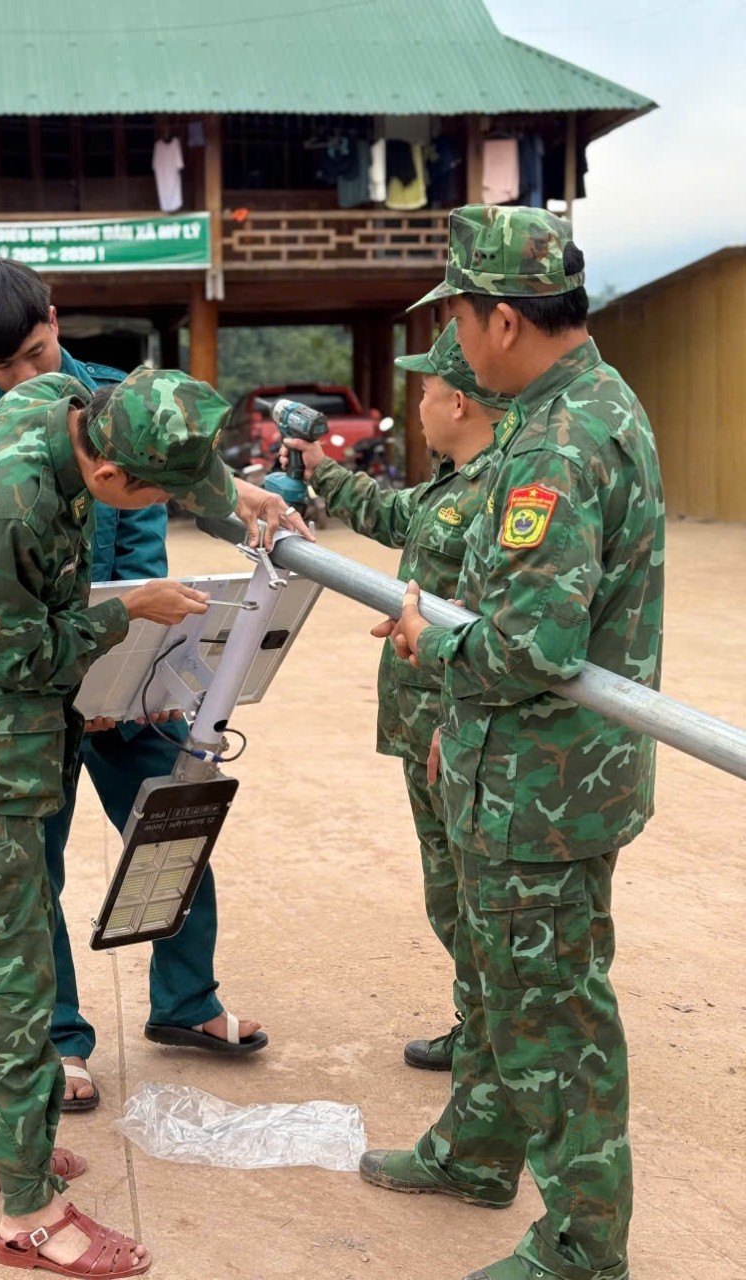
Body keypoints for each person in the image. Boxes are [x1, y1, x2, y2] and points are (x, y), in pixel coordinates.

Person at [0, 367, 301, 1276]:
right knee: (7, 984)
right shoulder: (7, 507)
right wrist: (124, 617)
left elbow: (174, 454)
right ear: (108, 475)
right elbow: (18, 657)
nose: (160, 507)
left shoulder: (56, 399)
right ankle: (30, 1214)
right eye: (154, 493)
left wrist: (239, 495)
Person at [359, 206, 664, 1280]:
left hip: (544, 791)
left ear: (498, 319)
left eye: (457, 313)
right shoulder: (587, 404)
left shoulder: (560, 439)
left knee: (553, 1019)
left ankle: (584, 1244)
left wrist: (432, 649)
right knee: (503, 986)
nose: (456, 337)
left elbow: (531, 642)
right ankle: (478, 1149)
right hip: (533, 773)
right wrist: (458, 715)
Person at [0, 260, 275, 1112]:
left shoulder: (118, 401)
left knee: (174, 814)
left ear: (53, 315)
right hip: (26, 668)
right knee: (31, 865)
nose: (30, 378)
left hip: (131, 654)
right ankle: (60, 1037)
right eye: (4, 367)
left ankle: (187, 1002)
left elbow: (168, 500)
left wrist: (143, 668)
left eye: (39, 351)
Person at [284, 321, 511, 1070]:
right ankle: (476, 1026)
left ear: (460, 403)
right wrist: (318, 469)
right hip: (426, 726)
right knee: (449, 894)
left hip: (458, 727)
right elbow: (393, 517)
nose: (416, 401)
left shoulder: (500, 492)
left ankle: (493, 1044)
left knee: (470, 897)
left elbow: (502, 626)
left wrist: (459, 718)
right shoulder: (455, 484)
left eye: (426, 388)